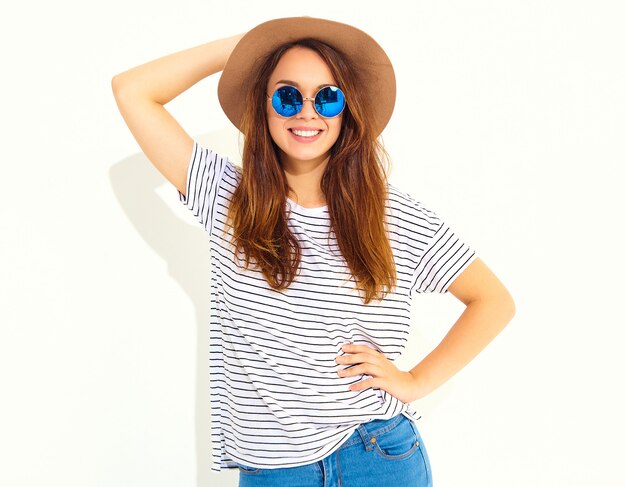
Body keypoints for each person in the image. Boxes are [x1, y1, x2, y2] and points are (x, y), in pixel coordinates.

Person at [112, 16, 515, 487]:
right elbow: (131, 90)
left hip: (376, 454)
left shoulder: (390, 214)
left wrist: (414, 382)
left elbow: (493, 300)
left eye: (327, 97)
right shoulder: (225, 196)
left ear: (346, 111)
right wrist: (248, 49)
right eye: (287, 95)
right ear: (263, 108)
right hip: (274, 471)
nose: (307, 112)